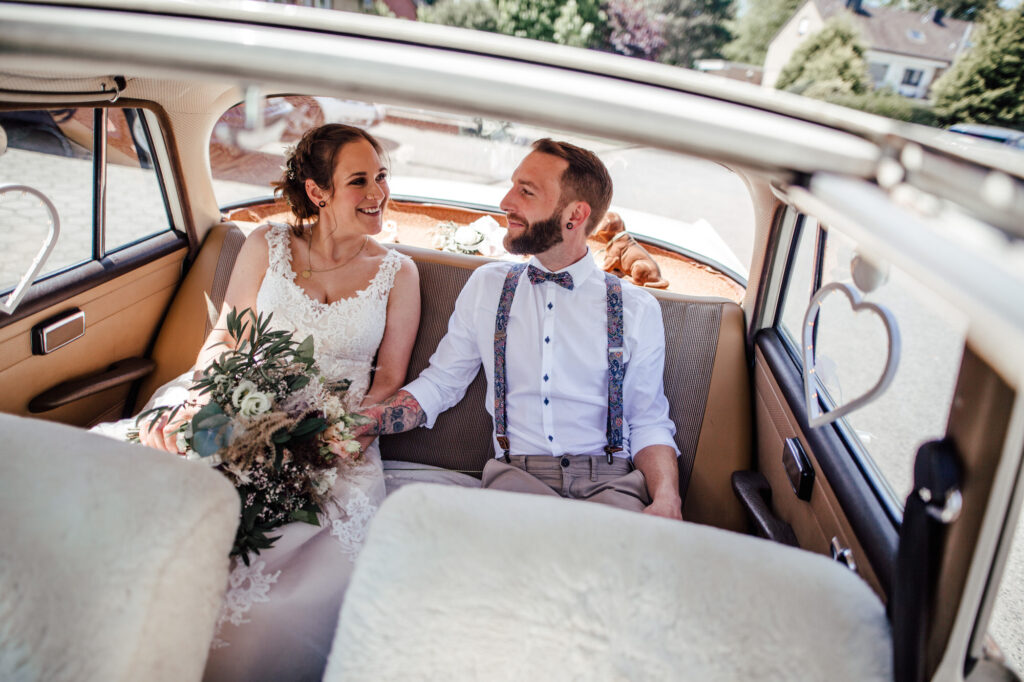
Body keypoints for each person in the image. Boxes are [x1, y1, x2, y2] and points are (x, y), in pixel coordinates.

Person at [93, 124, 420, 681]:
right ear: (317, 192)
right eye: (359, 181)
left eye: (382, 177)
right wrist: (213, 404)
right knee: (134, 516)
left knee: (265, 602)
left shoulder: (398, 272)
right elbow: (225, 339)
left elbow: (388, 381)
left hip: (331, 437)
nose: (378, 193)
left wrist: (328, 432)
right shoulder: (265, 243)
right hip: (231, 399)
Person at [356, 139, 682, 520]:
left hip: (611, 486)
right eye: (512, 186)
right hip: (515, 481)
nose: (506, 202)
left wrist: (667, 500)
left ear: (574, 216)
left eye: (526, 192)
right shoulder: (487, 286)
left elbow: (648, 421)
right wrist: (369, 421)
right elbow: (442, 382)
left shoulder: (636, 308)